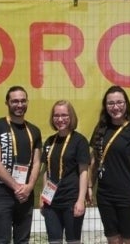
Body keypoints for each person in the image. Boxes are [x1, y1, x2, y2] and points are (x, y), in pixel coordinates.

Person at [86, 85, 130, 244]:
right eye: (111, 103)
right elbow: (95, 159)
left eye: (119, 102)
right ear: (105, 106)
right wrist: (89, 185)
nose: (115, 107)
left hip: (128, 195)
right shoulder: (100, 129)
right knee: (113, 239)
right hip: (105, 195)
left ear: (126, 104)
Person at [0, 86, 42, 244]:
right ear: (7, 103)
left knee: (23, 239)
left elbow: (37, 162)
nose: (19, 104)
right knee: (2, 240)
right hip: (3, 193)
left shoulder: (34, 130)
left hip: (25, 194)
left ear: (27, 102)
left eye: (23, 101)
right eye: (15, 101)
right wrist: (16, 187)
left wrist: (30, 186)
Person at [40, 100, 90, 244]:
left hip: (71, 200)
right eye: (56, 115)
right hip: (51, 203)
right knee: (54, 241)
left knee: (73, 241)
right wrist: (43, 197)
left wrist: (81, 200)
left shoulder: (79, 141)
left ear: (71, 117)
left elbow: (83, 172)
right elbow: (46, 171)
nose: (60, 119)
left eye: (64, 115)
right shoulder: (50, 141)